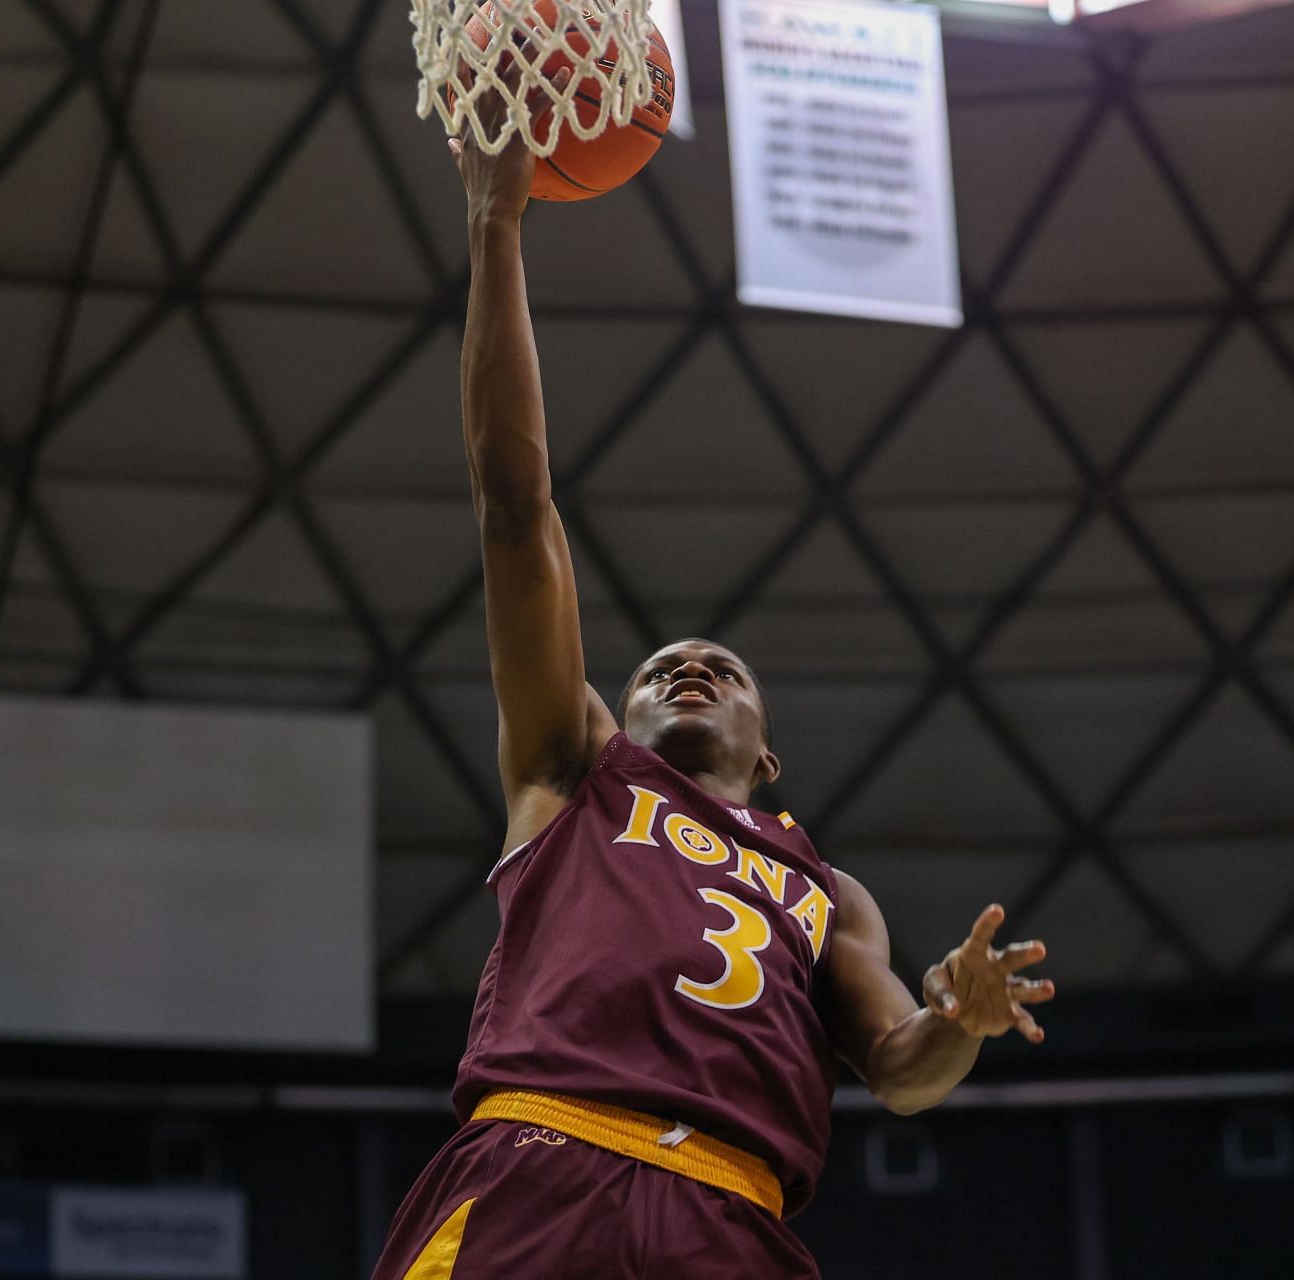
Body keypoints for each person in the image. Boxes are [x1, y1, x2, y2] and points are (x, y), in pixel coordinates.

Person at [370, 78, 1055, 1280]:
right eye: (661, 667)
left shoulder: (823, 890)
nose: (689, 667)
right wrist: (496, 228)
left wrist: (959, 1019)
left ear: (767, 746)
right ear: (618, 711)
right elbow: (515, 508)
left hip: (730, 1219)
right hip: (540, 1164)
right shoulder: (572, 769)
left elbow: (900, 1068)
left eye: (721, 668)